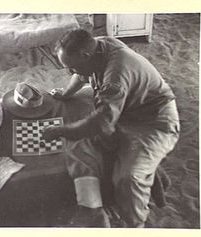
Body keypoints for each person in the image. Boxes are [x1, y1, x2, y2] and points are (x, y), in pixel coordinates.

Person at [42, 29, 180, 227]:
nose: (70, 72)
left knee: (128, 178)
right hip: (125, 113)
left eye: (71, 67)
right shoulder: (96, 46)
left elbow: (101, 123)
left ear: (85, 56)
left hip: (155, 122)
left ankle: (135, 225)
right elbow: (82, 75)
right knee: (77, 145)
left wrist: (60, 130)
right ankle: (92, 210)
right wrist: (65, 93)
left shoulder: (116, 74)